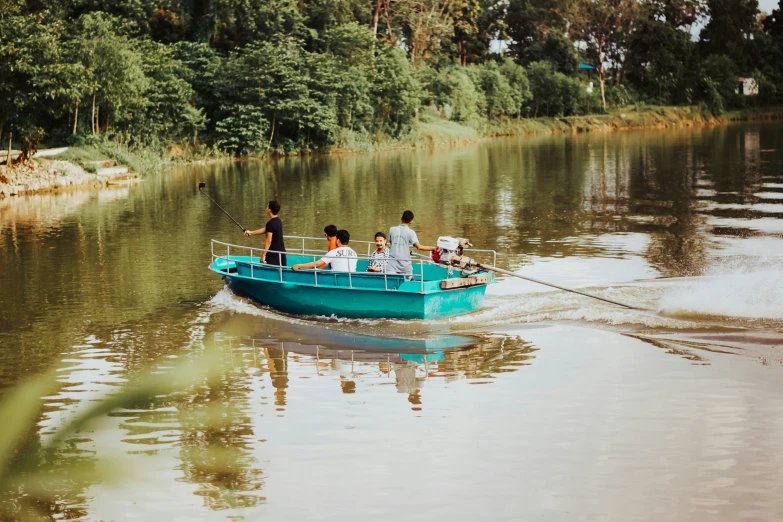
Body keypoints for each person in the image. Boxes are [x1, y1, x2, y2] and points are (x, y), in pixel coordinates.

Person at [387, 210, 434, 275]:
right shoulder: (411, 232)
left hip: (391, 264)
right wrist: (433, 249)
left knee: (391, 281)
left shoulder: (392, 229)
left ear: (401, 218)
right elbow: (419, 247)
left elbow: (391, 245)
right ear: (411, 221)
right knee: (409, 278)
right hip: (404, 264)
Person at [243, 200, 287, 266]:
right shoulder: (279, 221)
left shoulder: (270, 223)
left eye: (267, 206)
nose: (266, 208)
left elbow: (268, 241)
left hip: (273, 254)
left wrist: (263, 255)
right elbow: (266, 229)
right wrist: (251, 232)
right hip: (281, 252)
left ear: (270, 210)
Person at [292, 229, 358, 272]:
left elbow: (317, 264)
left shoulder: (333, 252)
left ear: (338, 240)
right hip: (351, 278)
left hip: (337, 277)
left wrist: (298, 266)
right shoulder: (354, 253)